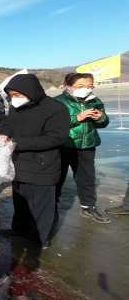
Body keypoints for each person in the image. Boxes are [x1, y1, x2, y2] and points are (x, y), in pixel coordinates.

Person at [0, 74, 69, 247]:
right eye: (11, 95)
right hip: (18, 164)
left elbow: (56, 138)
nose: (14, 99)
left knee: (41, 207)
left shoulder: (55, 109)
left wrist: (17, 143)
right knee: (20, 201)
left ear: (30, 91)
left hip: (42, 166)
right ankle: (20, 229)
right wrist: (3, 133)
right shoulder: (17, 107)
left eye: (17, 94)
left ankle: (40, 238)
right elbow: (9, 124)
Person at [54, 73, 110, 223]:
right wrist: (77, 118)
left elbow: (104, 122)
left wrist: (101, 117)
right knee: (56, 177)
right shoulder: (57, 102)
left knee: (87, 178)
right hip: (64, 145)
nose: (86, 89)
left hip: (87, 145)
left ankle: (88, 207)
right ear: (68, 86)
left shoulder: (95, 100)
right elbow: (52, 124)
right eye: (81, 86)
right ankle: (51, 207)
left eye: (90, 86)